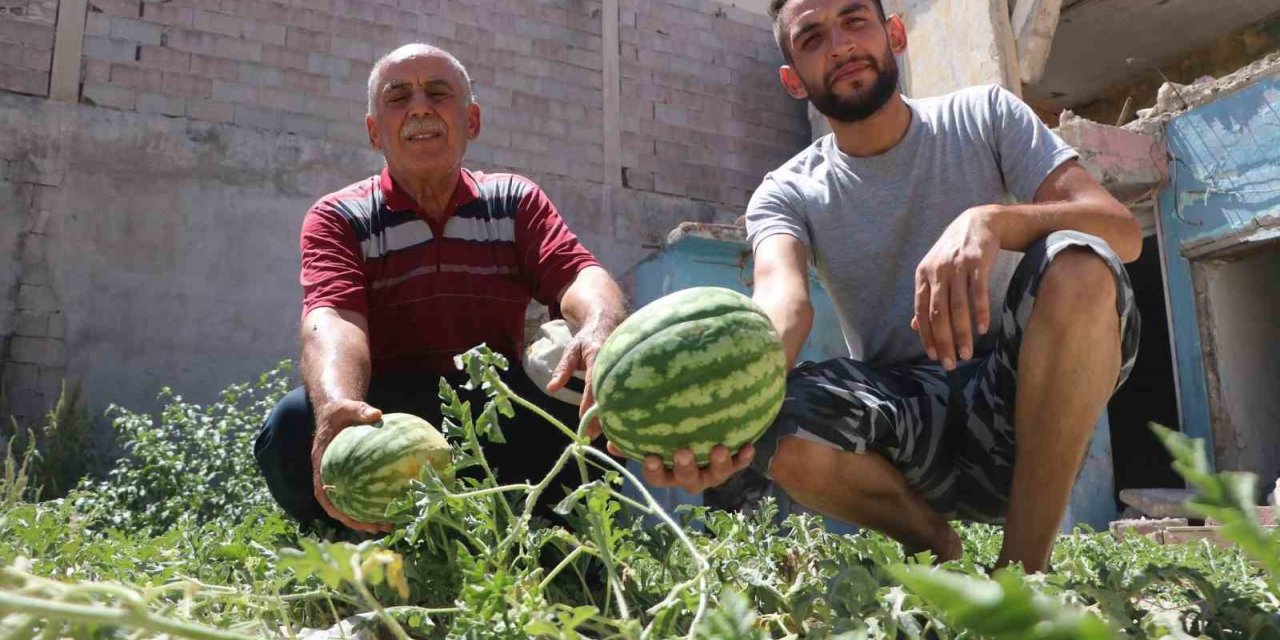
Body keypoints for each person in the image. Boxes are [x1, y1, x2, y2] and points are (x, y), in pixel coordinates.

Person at [630, 0, 1142, 573]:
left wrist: (993, 220)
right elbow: (784, 307)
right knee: (776, 419)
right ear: (792, 81)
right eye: (812, 38)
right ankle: (934, 543)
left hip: (1018, 402)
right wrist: (714, 422)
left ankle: (1023, 574)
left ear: (893, 33)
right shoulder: (785, 191)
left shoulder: (985, 115)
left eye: (854, 21)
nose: (841, 46)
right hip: (902, 426)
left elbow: (1120, 230)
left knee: (1079, 262)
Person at [254, 43, 626, 534]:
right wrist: (338, 404)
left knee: (592, 386)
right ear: (374, 131)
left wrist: (600, 328)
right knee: (292, 426)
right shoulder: (339, 216)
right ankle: (363, 545)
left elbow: (580, 274)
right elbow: (335, 320)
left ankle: (566, 545)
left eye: (437, 92)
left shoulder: (513, 200)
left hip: (497, 411)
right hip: (388, 416)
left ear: (472, 120)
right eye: (398, 96)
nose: (420, 107)